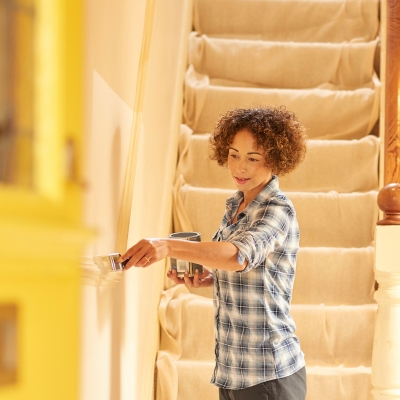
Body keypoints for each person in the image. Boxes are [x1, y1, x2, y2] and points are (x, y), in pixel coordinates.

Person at [120, 106, 308, 400]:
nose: (239, 167)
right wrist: (212, 279)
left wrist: (167, 245)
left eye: (252, 158)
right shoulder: (235, 206)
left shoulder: (277, 210)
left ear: (275, 157)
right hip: (232, 369)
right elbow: (247, 271)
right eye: (233, 155)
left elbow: (238, 256)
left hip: (268, 374)